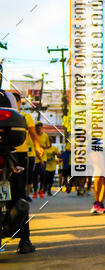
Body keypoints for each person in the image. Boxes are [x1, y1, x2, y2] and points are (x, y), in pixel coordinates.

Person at [10, 92, 45, 253]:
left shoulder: (25, 117)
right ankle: (24, 240)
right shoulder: (21, 116)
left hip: (17, 157)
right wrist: (38, 148)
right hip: (18, 157)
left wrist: (37, 147)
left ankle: (24, 240)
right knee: (20, 195)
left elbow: (33, 134)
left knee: (20, 195)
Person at [32, 122, 50, 197]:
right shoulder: (33, 136)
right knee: (35, 176)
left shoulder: (45, 135)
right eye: (37, 127)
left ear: (42, 128)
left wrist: (43, 147)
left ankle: (41, 190)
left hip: (43, 158)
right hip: (35, 158)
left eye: (40, 127)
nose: (39, 128)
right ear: (35, 128)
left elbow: (48, 146)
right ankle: (35, 191)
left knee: (42, 175)